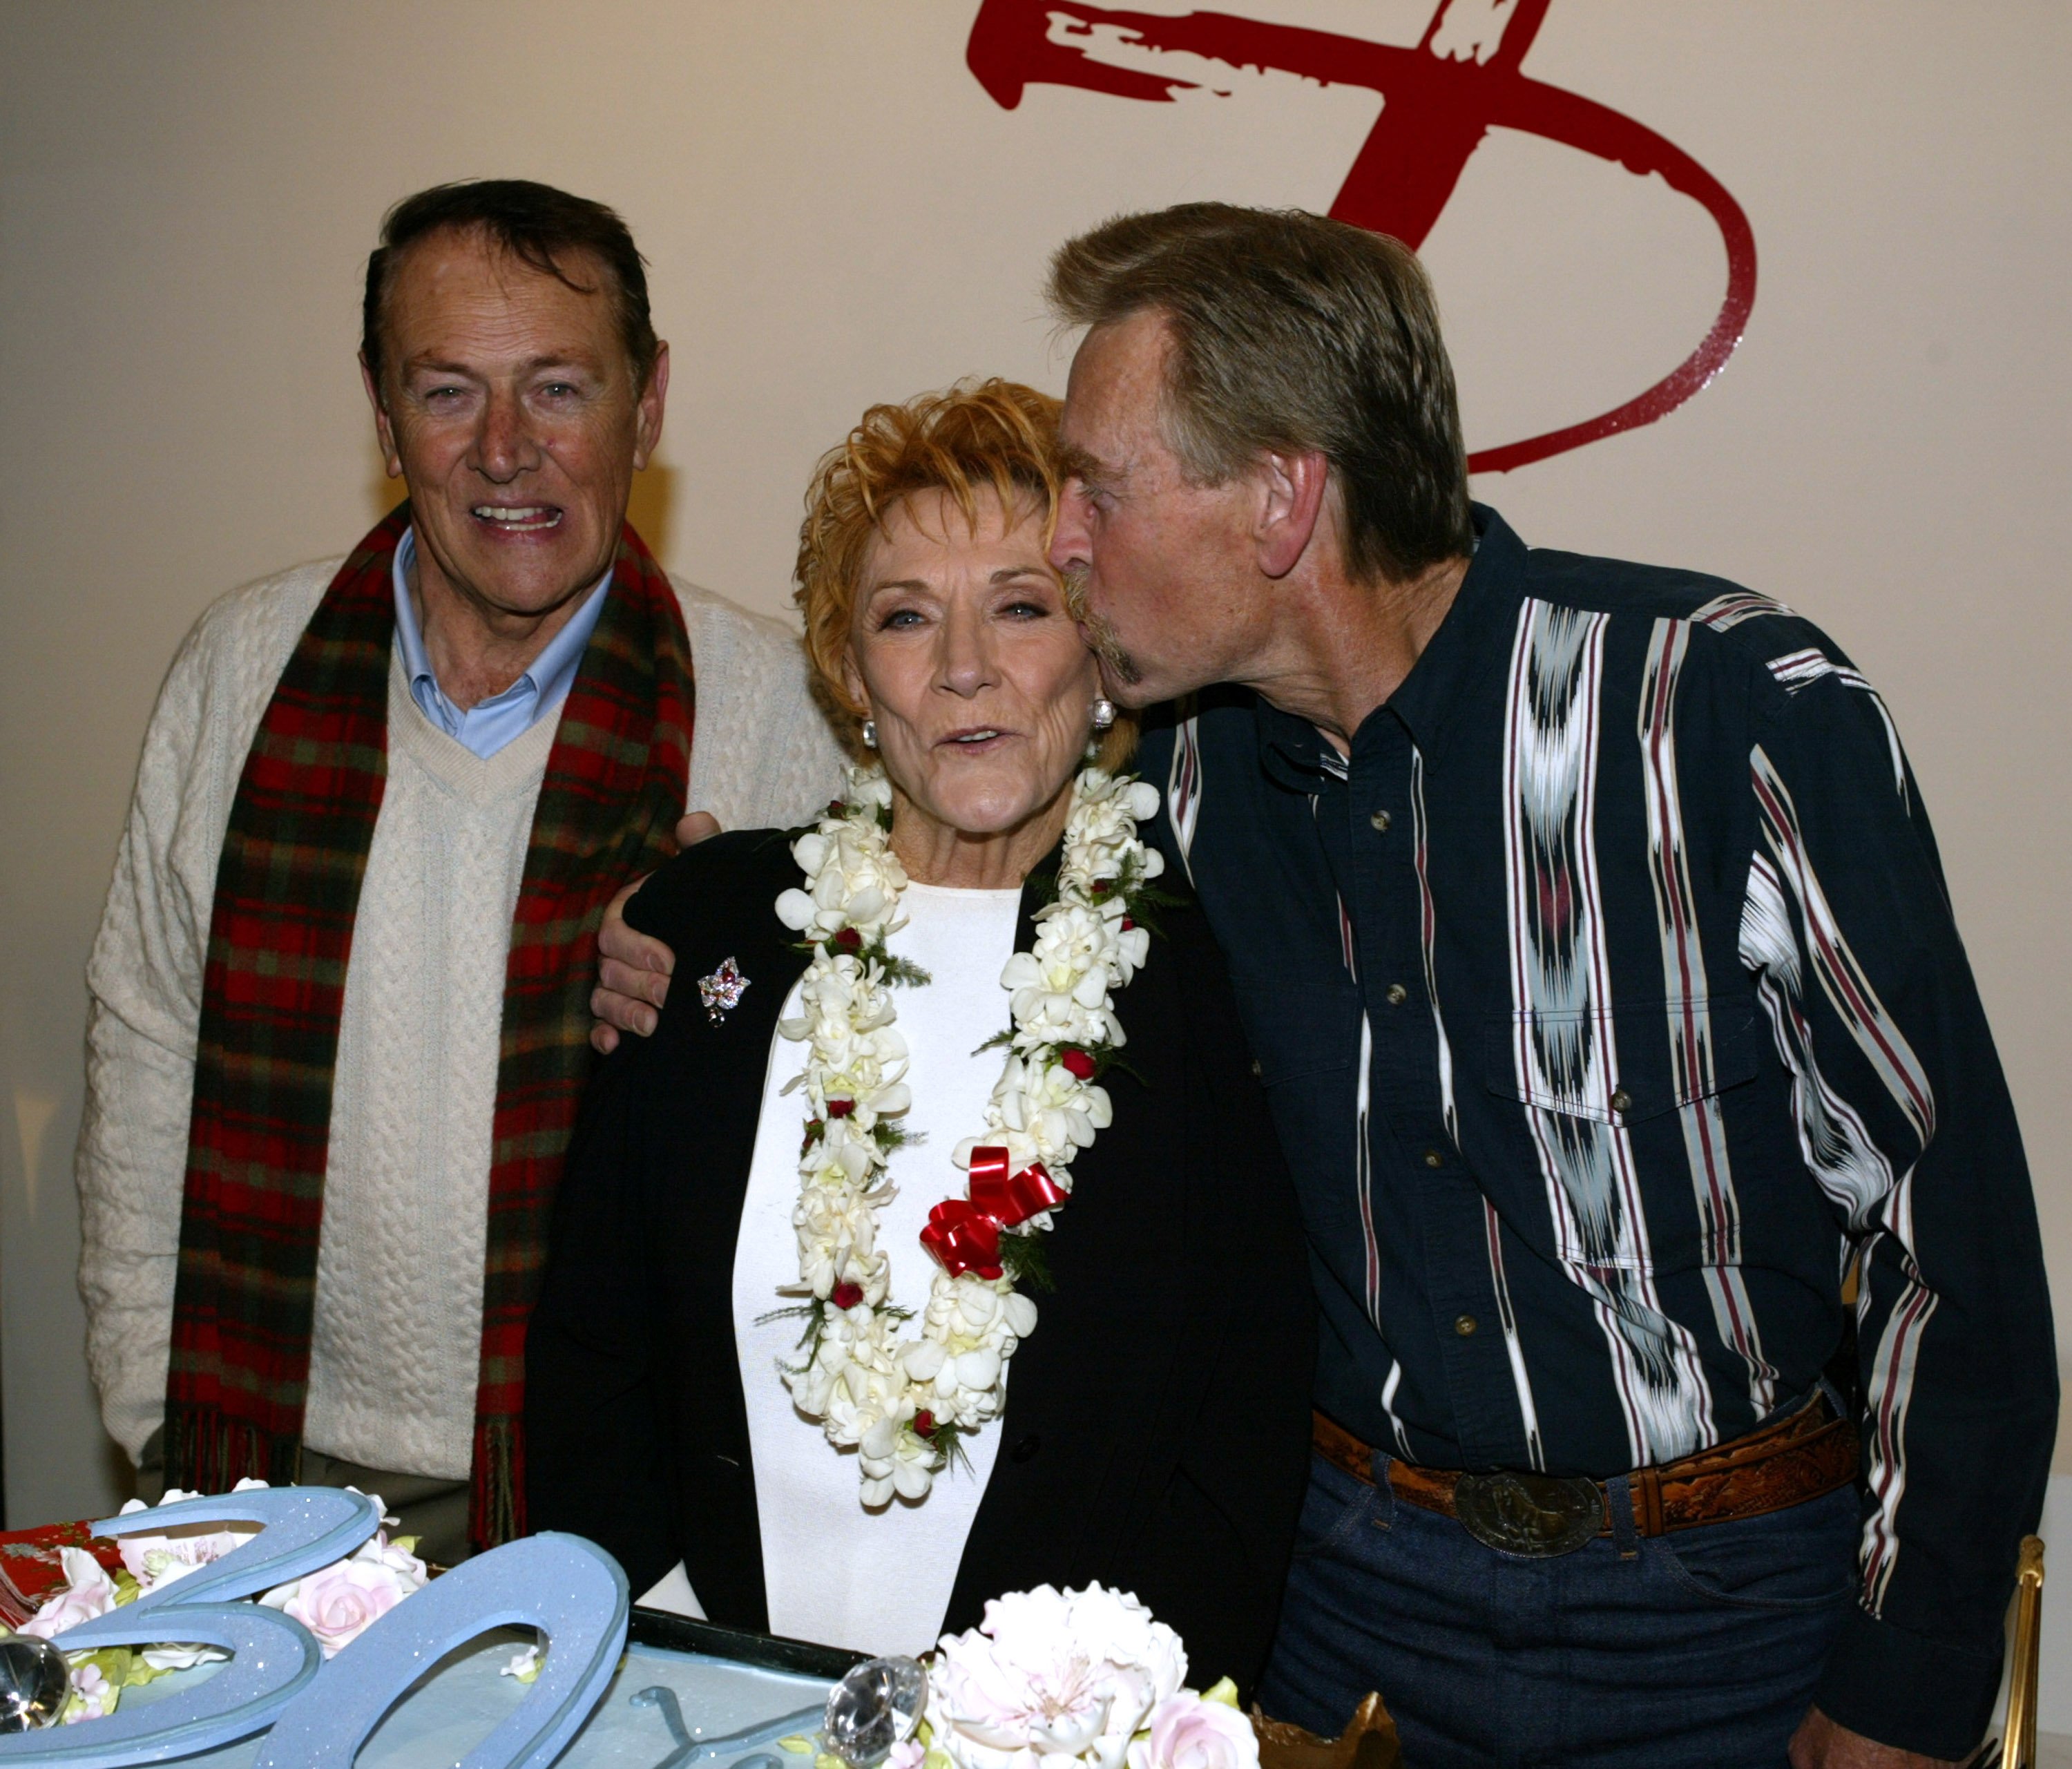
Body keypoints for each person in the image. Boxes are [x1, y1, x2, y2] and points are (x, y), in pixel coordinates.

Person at [592, 207, 2056, 1767]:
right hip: (1337, 1611)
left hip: (1719, 1614)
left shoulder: (1720, 714)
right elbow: (946, 861)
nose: (1064, 539)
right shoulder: (1188, 792)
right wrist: (693, 930)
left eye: (1098, 487)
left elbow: (1943, 1236)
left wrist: (1910, 1679)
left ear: (1281, 500)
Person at [74, 178, 843, 1565]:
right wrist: (153, 1411)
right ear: (381, 413)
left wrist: (719, 1012)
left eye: (559, 388)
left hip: (613, 1499)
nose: (505, 451)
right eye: (448, 392)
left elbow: (847, 1141)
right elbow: (144, 1043)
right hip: (263, 1477)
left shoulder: (781, 716)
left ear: (646, 403)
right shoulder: (241, 669)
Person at [526, 381, 1313, 1681]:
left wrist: (1102, 1716)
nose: (964, 667)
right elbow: (593, 1355)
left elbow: (1243, 1431)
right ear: (847, 669)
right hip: (696, 1688)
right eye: (906, 617)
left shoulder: (1210, 955)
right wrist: (637, 1649)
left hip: (1051, 1725)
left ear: (1100, 637)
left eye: (1021, 604)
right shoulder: (712, 924)